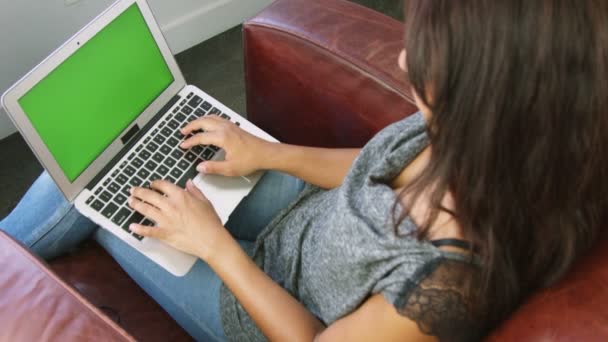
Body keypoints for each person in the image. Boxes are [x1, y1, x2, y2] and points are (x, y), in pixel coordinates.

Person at [2, 0, 607, 340]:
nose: (401, 57)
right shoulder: (487, 137)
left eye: (428, 59)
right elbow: (373, 168)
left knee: (107, 197)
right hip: (304, 218)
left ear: (488, 91)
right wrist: (267, 153)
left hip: (270, 310)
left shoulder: (442, 289)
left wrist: (214, 246)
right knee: (125, 153)